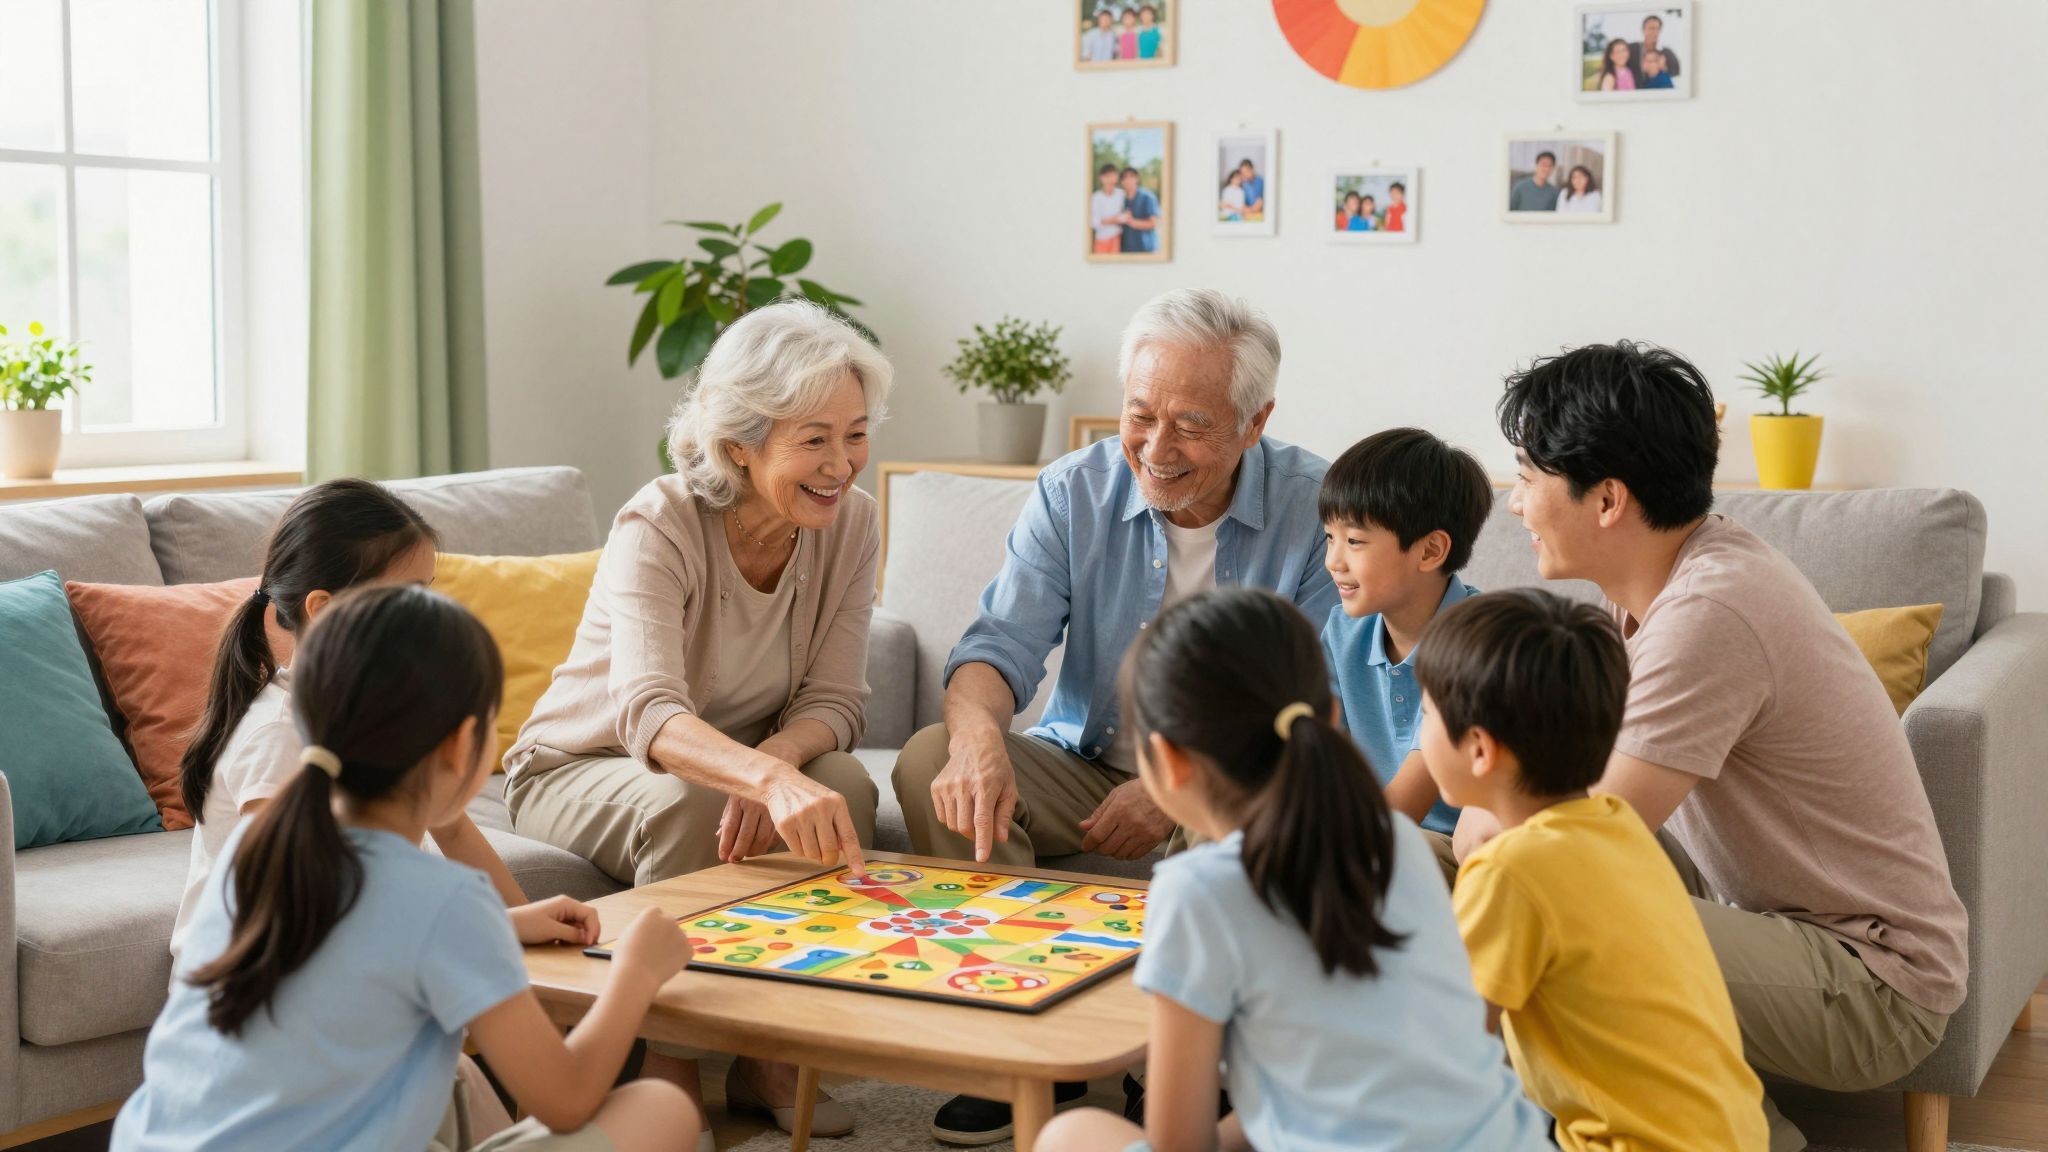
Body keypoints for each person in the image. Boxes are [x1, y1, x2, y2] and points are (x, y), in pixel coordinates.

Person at [1466, 341, 1968, 1148]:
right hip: (1772, 928)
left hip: (1873, 986)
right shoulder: (1645, 591)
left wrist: (1485, 819)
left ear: (1607, 501)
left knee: (1552, 909)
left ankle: (1740, 1136)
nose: (1515, 504)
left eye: (1527, 477)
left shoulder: (1712, 612)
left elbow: (1577, 848)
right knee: (1451, 873)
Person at [893, 289, 1336, 1144]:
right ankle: (1024, 1051)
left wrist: (1174, 793)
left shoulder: (1317, 507)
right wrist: (978, 740)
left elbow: (1318, 705)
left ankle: (1192, 1070)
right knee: (926, 759)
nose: (1155, 449)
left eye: (1191, 426)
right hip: (1091, 763)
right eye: (1140, 415)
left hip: (1241, 779)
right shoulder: (1072, 491)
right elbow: (996, 649)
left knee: (1242, 820)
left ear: (1255, 421)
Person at [114, 585, 700, 1152]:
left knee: (455, 1081)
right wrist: (637, 972)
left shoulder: (259, 855)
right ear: (460, 746)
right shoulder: (443, 901)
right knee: (661, 1108)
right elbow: (566, 1098)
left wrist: (503, 925)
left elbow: (362, 941)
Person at [507, 301, 889, 1138]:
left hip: (738, 757)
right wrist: (760, 776)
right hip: (580, 761)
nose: (843, 465)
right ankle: (670, 1060)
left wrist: (780, 763)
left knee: (845, 784)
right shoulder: (660, 520)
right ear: (739, 444)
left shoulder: (853, 522)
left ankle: (769, 1052)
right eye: (815, 439)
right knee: (693, 802)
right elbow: (647, 712)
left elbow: (837, 698)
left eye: (855, 435)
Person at [1037, 587, 1552, 1152]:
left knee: (1069, 1134)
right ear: (1329, 716)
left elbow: (1178, 1144)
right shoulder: (1397, 841)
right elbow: (1341, 1091)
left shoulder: (1196, 890)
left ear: (1166, 761)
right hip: (1507, 1140)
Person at [1416, 589, 1769, 1151]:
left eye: (1427, 712)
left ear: (1479, 749)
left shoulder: (1511, 871)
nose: (1420, 731)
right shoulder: (1617, 827)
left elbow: (1445, 1056)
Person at [171, 479, 522, 961]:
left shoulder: (383, 712)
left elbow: (452, 827)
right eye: (408, 599)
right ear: (326, 610)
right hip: (252, 1002)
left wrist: (520, 923)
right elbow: (291, 911)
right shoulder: (279, 734)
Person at [1318, 428, 1493, 880]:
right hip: (1377, 827)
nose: (1334, 561)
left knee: (1388, 857)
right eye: (1329, 538)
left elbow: (1412, 797)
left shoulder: (1481, 637)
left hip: (1457, 843)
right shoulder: (1343, 630)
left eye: (1354, 541)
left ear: (1430, 550)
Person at [1118, 166, 1161, 253]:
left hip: (1145, 249)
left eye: (1131, 177)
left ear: (1137, 179)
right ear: (1122, 182)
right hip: (1125, 249)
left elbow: (1153, 223)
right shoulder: (1120, 198)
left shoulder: (1147, 197)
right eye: (1124, 178)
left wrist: (1131, 222)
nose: (1128, 180)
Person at [1633, 14, 1682, 82]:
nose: (1654, 32)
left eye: (1657, 29)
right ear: (1643, 30)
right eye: (1651, 28)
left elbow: (1677, 72)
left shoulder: (1666, 53)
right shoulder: (1632, 49)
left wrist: (1662, 67)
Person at [1092, 162, 1127, 255]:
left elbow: (1126, 216)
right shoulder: (1095, 197)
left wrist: (1106, 220)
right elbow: (1094, 223)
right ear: (1101, 178)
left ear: (1116, 177)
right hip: (1101, 239)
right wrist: (1115, 219)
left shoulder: (1122, 194)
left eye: (1112, 176)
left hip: (1117, 238)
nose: (1110, 179)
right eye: (1107, 176)